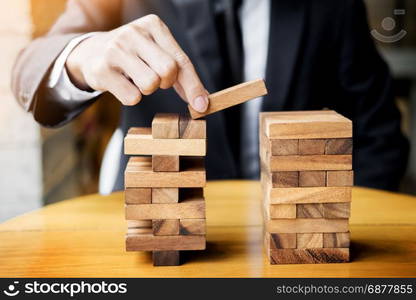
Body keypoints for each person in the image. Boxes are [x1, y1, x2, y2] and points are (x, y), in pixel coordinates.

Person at [12, 0, 409, 192]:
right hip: (157, 223)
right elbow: (29, 66)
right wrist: (81, 56)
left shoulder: (332, 6)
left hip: (294, 243)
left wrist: (334, 221)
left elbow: (380, 135)